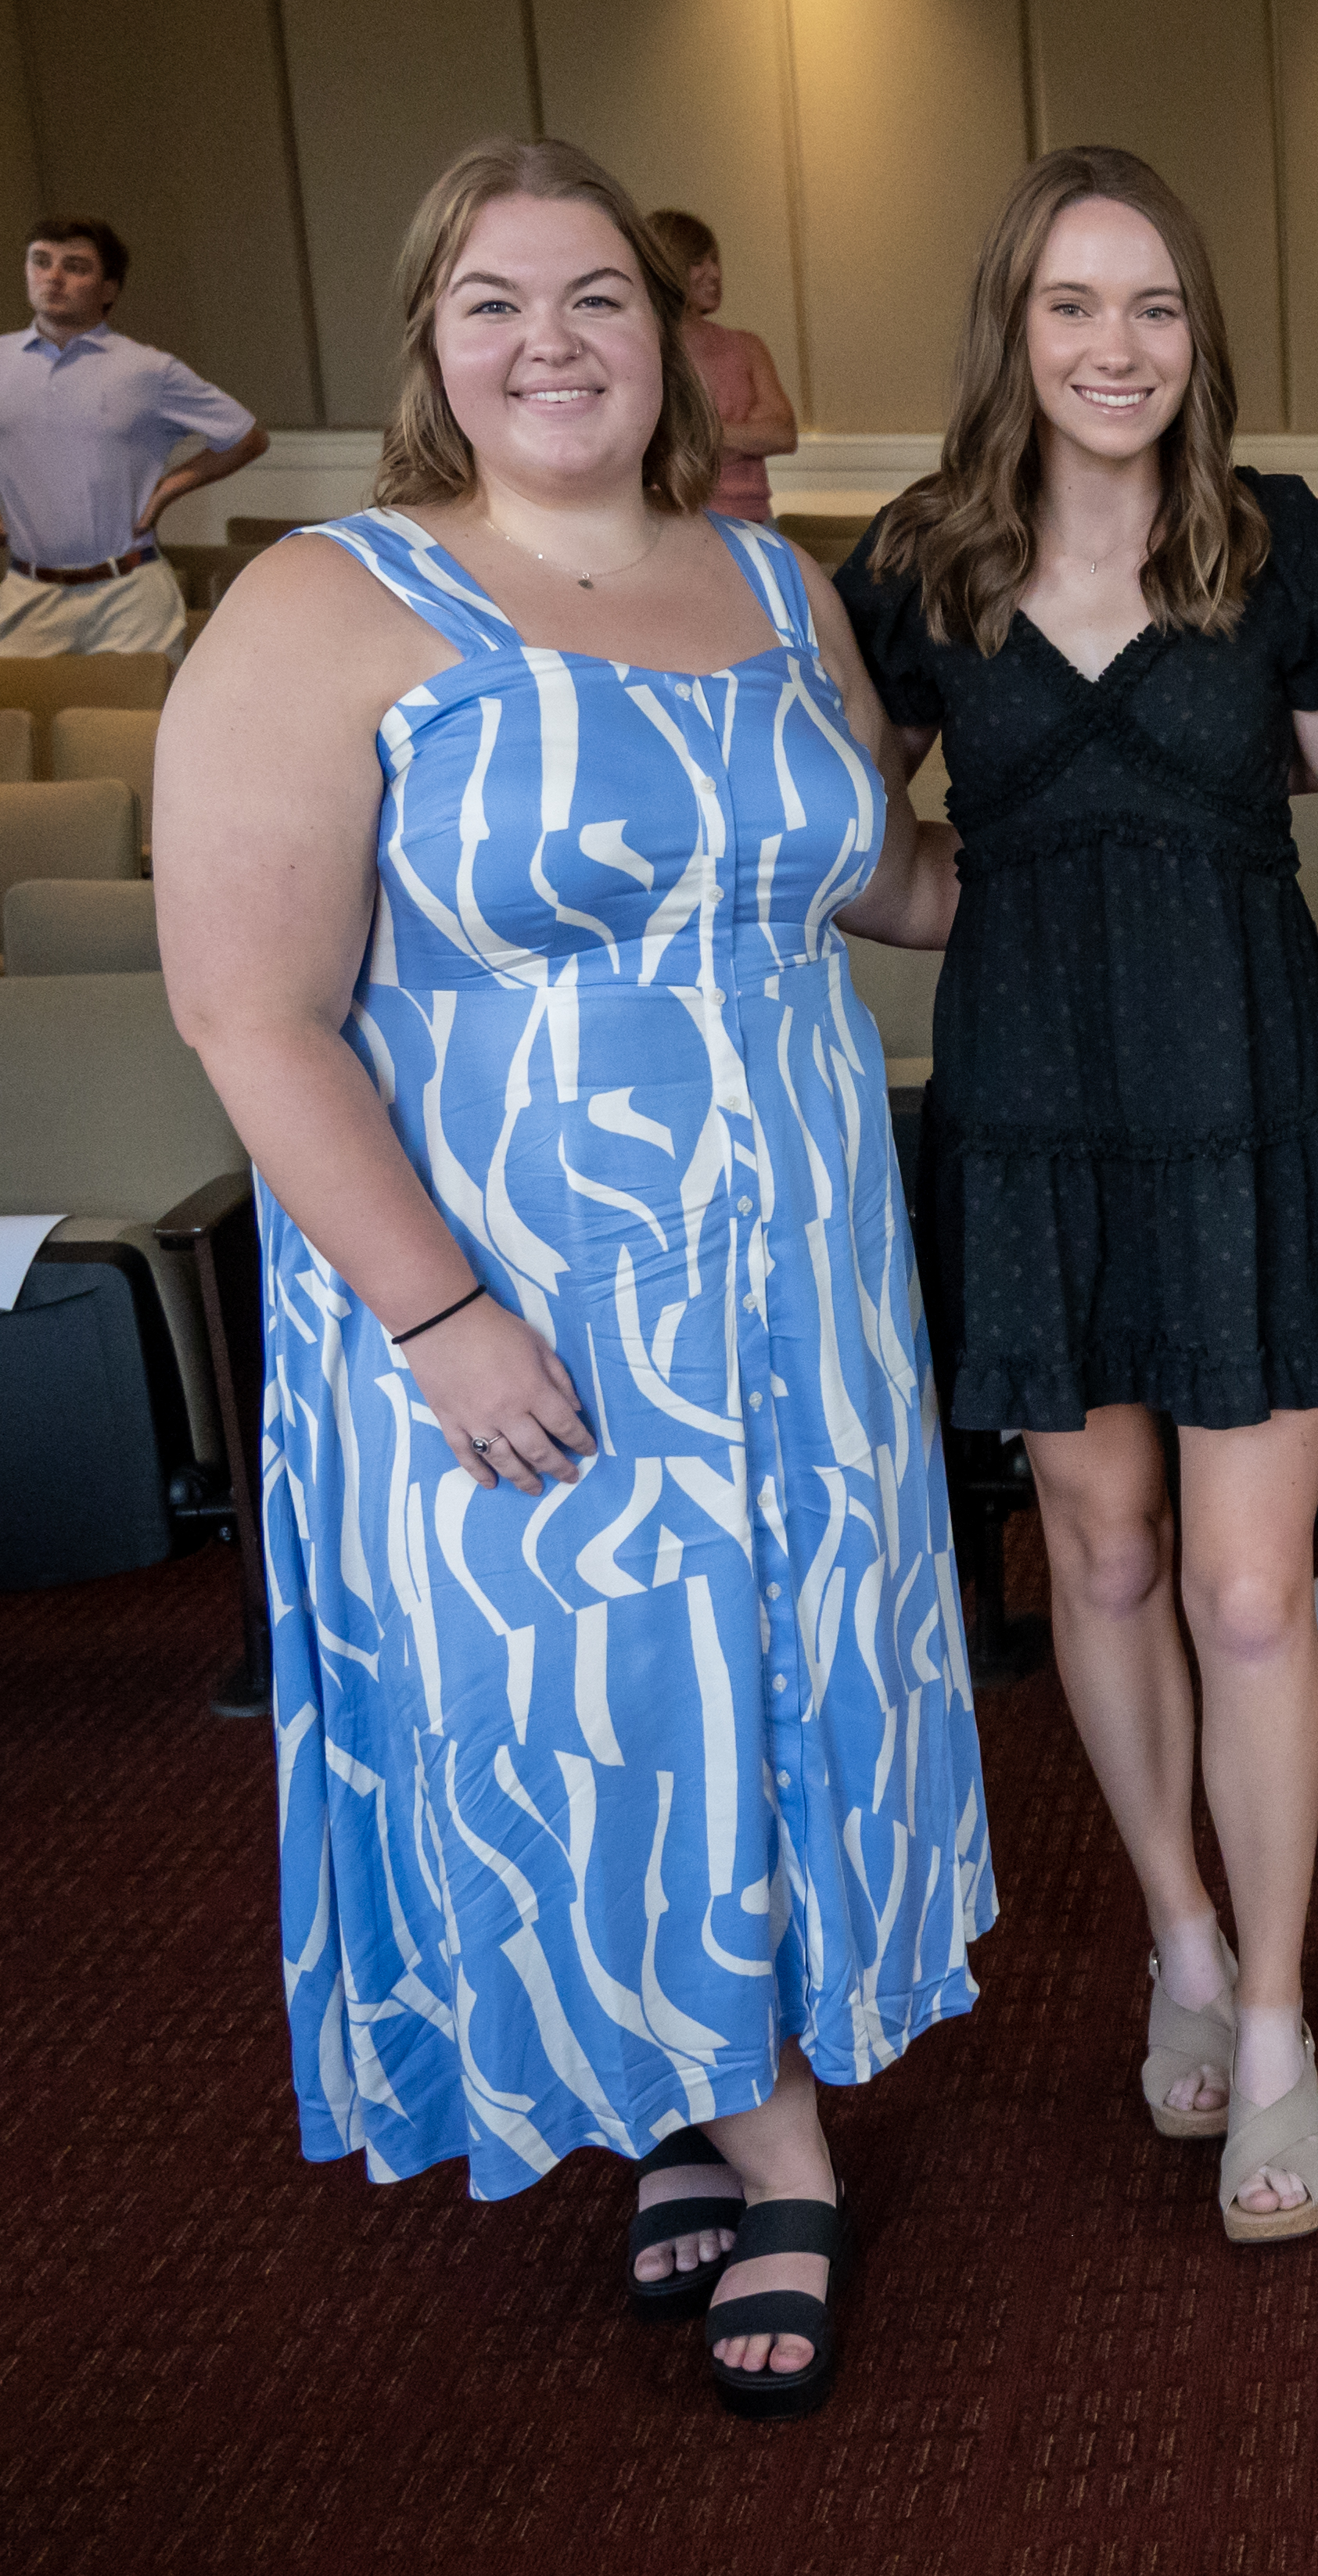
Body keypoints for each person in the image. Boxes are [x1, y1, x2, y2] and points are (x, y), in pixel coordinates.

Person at [154, 136, 986, 2423]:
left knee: (783, 1688)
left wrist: (1142, 799)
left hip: (802, 1282)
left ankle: (687, 2090)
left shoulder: (767, 577)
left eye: (598, 297)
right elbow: (251, 1010)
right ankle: (781, 2145)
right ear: (428, 337)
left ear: (670, 330)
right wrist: (439, 1313)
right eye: (498, 302)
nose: (554, 343)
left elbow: (893, 885)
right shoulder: (332, 606)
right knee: (600, 1717)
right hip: (517, 1293)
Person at [837, 147, 1318, 2246]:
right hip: (1030, 1114)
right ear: (1011, 328)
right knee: (1100, 1554)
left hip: (1249, 1101)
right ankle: (1173, 1925)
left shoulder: (1281, 552)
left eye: (1152, 307)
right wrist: (970, 907)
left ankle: (1272, 2015)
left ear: (1200, 334)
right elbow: (845, 839)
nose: (1115, 347)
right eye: (1073, 305)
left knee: (1252, 1591)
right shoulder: (912, 571)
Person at [0, 215, 268, 656]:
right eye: (41, 261)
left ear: (109, 288)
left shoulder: (148, 369)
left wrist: (164, 492)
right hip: (27, 590)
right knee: (21, 722)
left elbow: (246, 437)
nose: (53, 276)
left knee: (144, 723)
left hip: (129, 593)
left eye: (76, 266)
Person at [648, 208, 797, 523]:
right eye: (698, 263)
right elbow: (653, 441)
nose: (715, 273)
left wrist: (704, 436)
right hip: (673, 523)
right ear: (664, 267)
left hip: (752, 522)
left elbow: (783, 435)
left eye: (715, 260)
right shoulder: (642, 352)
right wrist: (746, 435)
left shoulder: (747, 346)